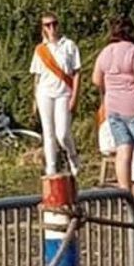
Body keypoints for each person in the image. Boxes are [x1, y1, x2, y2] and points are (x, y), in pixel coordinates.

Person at [92, 16, 134, 193]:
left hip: (112, 107)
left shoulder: (105, 52)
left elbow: (96, 79)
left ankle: (125, 191)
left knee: (123, 150)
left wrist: (112, 87)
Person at [29, 11, 82, 176]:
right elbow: (37, 76)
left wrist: (75, 96)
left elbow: (77, 72)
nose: (52, 28)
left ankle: (72, 156)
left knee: (63, 133)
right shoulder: (40, 49)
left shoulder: (69, 45)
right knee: (48, 132)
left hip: (64, 93)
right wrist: (34, 99)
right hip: (44, 93)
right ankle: (51, 167)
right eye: (47, 25)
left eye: (54, 23)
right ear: (43, 28)